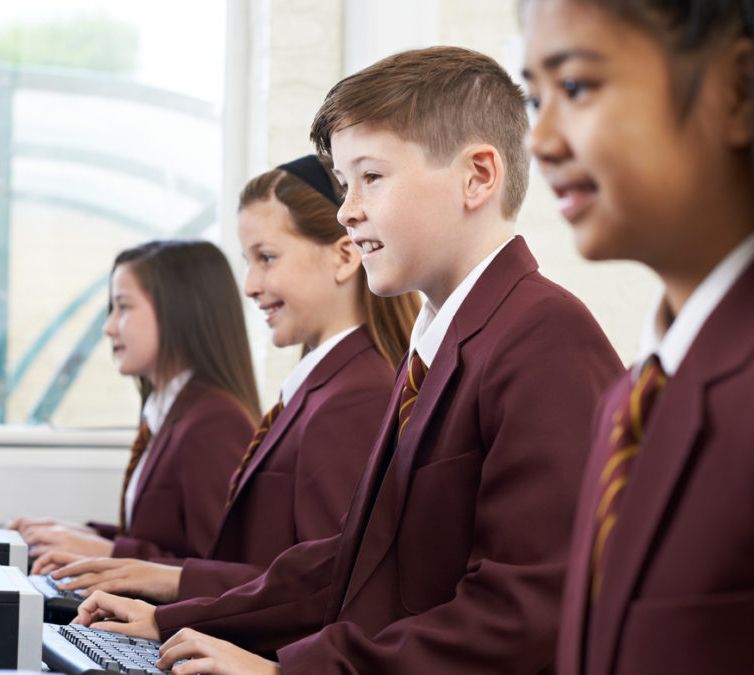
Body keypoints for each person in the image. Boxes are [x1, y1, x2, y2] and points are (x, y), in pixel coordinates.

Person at [71, 46, 624, 674]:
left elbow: (527, 612)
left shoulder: (544, 337)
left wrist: (290, 672)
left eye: (372, 177)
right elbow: (354, 562)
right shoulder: (437, 345)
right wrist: (173, 616)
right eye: (344, 183)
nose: (347, 209)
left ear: (477, 177)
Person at [31, 155, 419, 605]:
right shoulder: (322, 389)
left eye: (267, 258)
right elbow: (275, 566)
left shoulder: (354, 396)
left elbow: (329, 590)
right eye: (248, 262)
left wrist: (164, 594)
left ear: (345, 256)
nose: (251, 285)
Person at [522, 1, 754, 673]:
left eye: (575, 87)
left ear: (737, 91)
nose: (540, 138)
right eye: (534, 97)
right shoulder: (630, 397)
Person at [8, 240, 260, 562]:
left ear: (177, 311)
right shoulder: (167, 409)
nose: (108, 327)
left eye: (123, 307)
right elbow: (162, 540)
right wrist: (79, 536)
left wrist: (109, 553)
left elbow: (221, 573)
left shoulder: (214, 421)